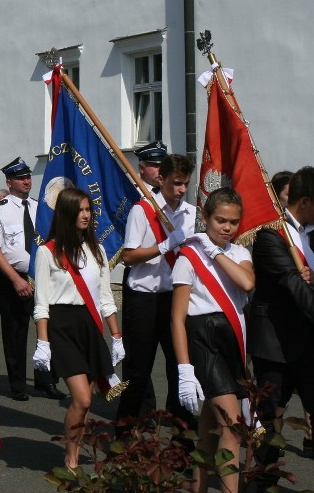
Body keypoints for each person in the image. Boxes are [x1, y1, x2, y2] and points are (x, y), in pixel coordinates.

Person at [249, 167, 314, 492]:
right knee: (271, 419)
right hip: (275, 345)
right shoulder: (269, 235)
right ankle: (264, 483)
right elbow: (291, 283)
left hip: (312, 345)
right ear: (304, 201)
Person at [33, 187, 124, 473]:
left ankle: (73, 450)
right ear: (67, 213)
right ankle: (71, 457)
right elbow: (42, 303)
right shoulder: (47, 252)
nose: (86, 215)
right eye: (81, 210)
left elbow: (106, 297)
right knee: (82, 398)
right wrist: (43, 342)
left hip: (89, 326)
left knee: (86, 403)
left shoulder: (96, 250)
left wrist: (116, 336)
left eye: (88, 210)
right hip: (62, 327)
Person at [171, 187, 255, 493]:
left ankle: (198, 487)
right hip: (204, 340)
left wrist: (216, 252)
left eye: (233, 222)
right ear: (205, 217)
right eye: (220, 220)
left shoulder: (240, 253)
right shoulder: (188, 257)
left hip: (232, 339)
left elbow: (246, 283)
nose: (227, 228)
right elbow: (178, 318)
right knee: (232, 426)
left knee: (208, 431)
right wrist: (184, 369)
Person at [116, 154, 197, 426]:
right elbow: (128, 256)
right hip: (144, 299)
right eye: (176, 183)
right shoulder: (143, 210)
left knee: (180, 369)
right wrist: (164, 246)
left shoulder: (192, 214)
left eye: (185, 183)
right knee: (138, 372)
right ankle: (126, 436)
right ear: (160, 179)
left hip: (176, 299)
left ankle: (182, 441)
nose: (182, 190)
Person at [0, 157, 65, 401]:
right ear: (9, 182)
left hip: (41, 276)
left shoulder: (41, 207)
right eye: (20, 178)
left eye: (28, 176)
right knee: (15, 333)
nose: (26, 181)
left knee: (47, 330)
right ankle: (17, 384)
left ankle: (46, 380)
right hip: (13, 278)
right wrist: (16, 280)